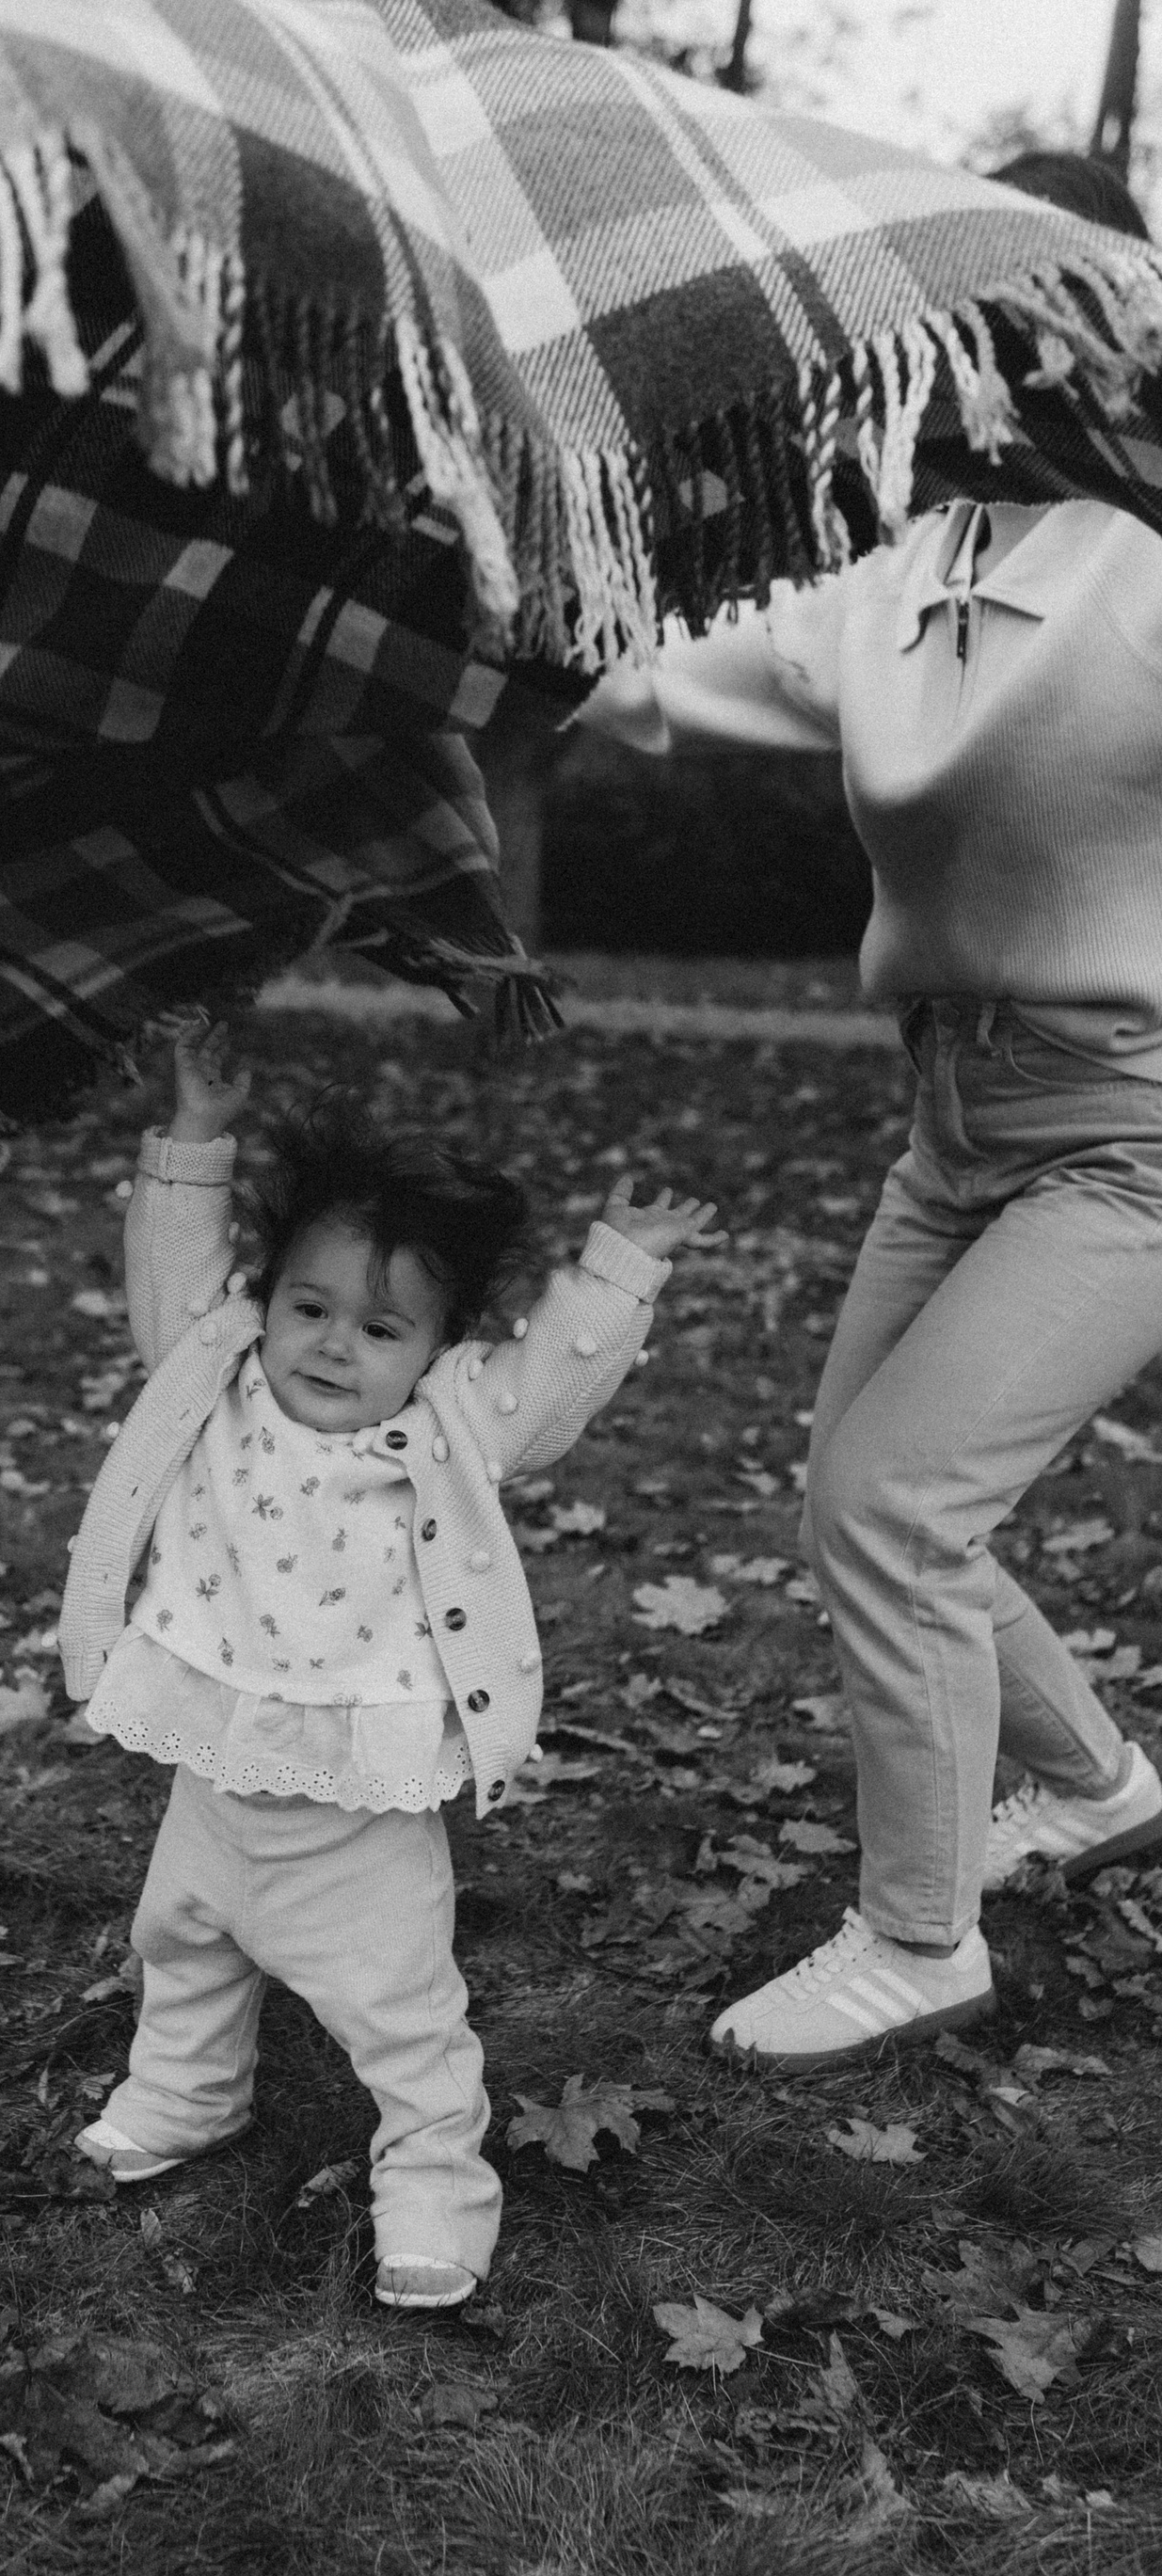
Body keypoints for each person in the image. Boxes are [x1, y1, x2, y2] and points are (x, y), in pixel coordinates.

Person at [576, 149, 1162, 2073]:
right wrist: (461, 607)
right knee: (868, 1500)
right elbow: (653, 676)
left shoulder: (1150, 557)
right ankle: (1094, 1783)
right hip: (954, 1120)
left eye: (1020, 320)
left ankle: (921, 1939)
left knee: (893, 1506)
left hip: (1135, 1130)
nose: (975, 359)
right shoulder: (908, 563)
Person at [58, 1018, 719, 2307]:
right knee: (184, 1941)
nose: (331, 1344)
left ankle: (433, 2183)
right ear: (267, 1301)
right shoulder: (218, 1375)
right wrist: (195, 1139)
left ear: (438, 1346)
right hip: (218, 1746)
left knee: (400, 2013)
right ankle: (186, 2093)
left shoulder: (454, 1421)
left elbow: (549, 1390)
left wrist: (618, 1267)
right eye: (308, 1308)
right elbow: (170, 1281)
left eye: (379, 1328)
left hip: (357, 1795)